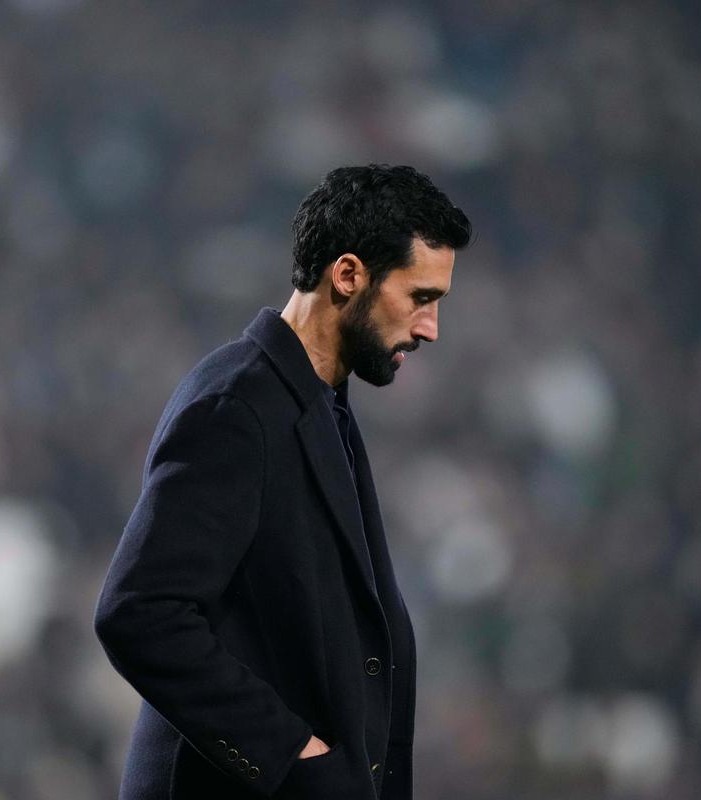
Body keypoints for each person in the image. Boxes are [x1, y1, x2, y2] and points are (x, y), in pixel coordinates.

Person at [93, 163, 472, 799]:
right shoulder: (237, 408)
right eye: (420, 298)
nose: (430, 327)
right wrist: (291, 753)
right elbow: (141, 612)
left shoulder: (317, 404)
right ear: (347, 275)